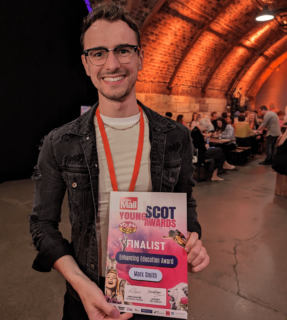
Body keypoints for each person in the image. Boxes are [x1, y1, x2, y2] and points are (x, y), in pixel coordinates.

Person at [29, 4, 209, 320]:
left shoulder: (176, 136)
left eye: (123, 50)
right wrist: (81, 284)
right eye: (98, 53)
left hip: (157, 291)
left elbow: (185, 203)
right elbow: (42, 225)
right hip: (87, 294)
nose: (112, 64)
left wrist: (192, 240)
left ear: (140, 56)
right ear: (86, 63)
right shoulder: (59, 143)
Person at [272, 129, 287, 196]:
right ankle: (284, 192)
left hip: (279, 162)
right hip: (284, 162)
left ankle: (279, 191)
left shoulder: (283, 136)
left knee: (280, 178)